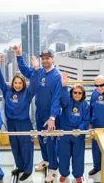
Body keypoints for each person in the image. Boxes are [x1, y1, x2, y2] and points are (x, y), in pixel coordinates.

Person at [12, 46, 61, 182]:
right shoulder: (38, 72)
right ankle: (46, 160)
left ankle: (53, 168)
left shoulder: (56, 76)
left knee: (51, 141)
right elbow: (24, 70)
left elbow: (57, 98)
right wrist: (18, 54)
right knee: (41, 138)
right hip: (39, 111)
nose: (45, 60)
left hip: (50, 115)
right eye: (43, 58)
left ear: (52, 59)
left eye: (47, 58)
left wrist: (52, 117)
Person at [0, 54, 40, 181]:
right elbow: (0, 80)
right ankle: (20, 166)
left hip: (24, 123)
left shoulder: (27, 93)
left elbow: (35, 84)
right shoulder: (7, 91)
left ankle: (28, 170)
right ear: (12, 83)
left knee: (26, 147)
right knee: (15, 146)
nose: (18, 85)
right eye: (15, 83)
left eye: (20, 83)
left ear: (23, 83)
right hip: (11, 123)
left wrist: (36, 69)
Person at [58, 73, 91, 183]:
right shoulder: (67, 102)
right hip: (65, 133)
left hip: (78, 134)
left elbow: (87, 120)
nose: (77, 94)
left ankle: (77, 175)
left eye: (79, 93)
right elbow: (62, 97)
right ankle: (64, 173)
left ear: (83, 94)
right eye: (74, 92)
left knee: (78, 156)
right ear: (71, 93)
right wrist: (63, 86)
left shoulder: (85, 105)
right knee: (64, 155)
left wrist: (80, 129)